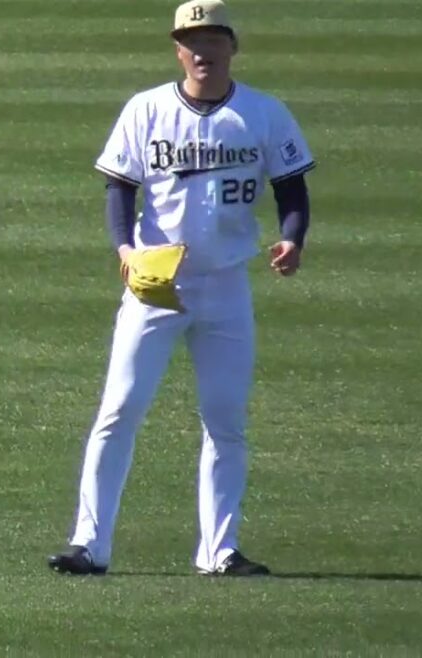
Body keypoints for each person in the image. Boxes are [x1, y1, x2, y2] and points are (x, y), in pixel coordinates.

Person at [48, 0, 315, 577]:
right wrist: (125, 251)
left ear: (231, 46)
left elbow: (292, 189)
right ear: (177, 50)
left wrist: (293, 240)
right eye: (190, 40)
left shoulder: (264, 114)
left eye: (212, 38)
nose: (201, 50)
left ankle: (218, 551)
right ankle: (89, 545)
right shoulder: (145, 111)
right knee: (118, 411)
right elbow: (120, 190)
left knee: (225, 418)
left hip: (225, 288)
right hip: (155, 288)